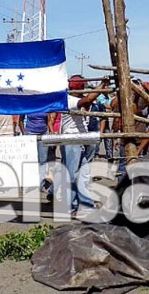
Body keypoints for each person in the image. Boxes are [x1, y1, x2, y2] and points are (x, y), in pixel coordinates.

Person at [55, 75, 109, 216]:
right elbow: (89, 99)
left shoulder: (72, 98)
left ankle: (86, 204)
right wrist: (101, 85)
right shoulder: (70, 100)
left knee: (83, 174)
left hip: (78, 141)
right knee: (72, 175)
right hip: (72, 141)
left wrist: (102, 86)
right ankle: (69, 207)